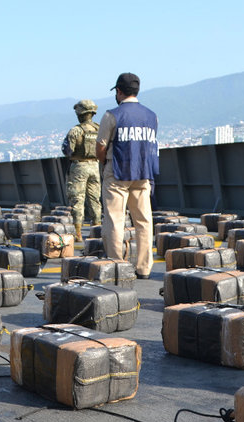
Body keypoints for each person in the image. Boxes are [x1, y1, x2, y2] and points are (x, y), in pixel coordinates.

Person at [96, 72, 158, 279]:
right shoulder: (152, 116)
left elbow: (100, 148)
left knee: (115, 219)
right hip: (143, 174)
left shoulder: (111, 115)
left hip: (117, 172)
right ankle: (144, 267)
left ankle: (117, 267)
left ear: (119, 91)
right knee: (144, 221)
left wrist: (105, 163)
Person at [61, 100, 102, 241]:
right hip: (95, 166)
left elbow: (67, 150)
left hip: (79, 167)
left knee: (77, 199)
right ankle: (97, 229)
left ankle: (78, 233)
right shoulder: (99, 129)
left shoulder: (75, 131)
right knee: (95, 199)